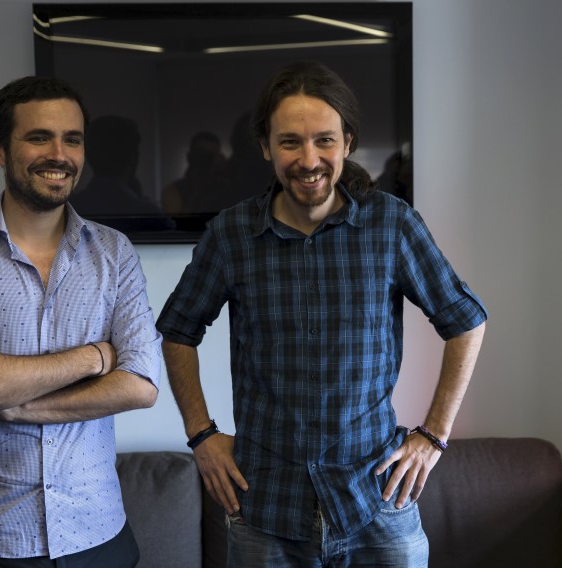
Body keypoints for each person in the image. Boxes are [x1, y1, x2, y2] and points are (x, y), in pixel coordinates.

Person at [155, 61, 487, 567]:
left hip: (376, 502)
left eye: (324, 140)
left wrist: (433, 436)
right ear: (265, 146)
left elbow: (465, 320)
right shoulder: (231, 234)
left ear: (348, 142)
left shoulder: (391, 225)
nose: (308, 159)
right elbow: (178, 330)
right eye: (290, 142)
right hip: (264, 510)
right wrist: (201, 434)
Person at [0, 76, 162, 567]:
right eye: (38, 137)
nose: (59, 154)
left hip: (96, 533)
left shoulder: (114, 254)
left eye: (72, 139)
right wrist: (97, 356)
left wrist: (18, 406)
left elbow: (141, 384)